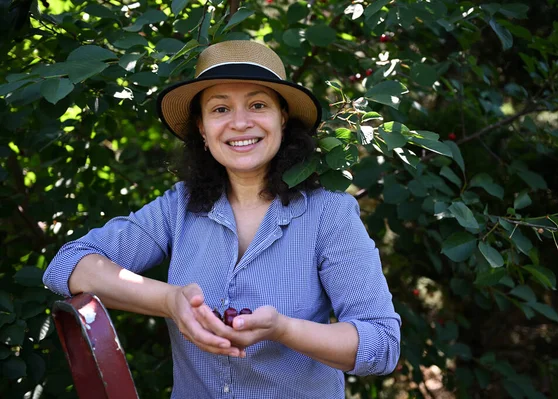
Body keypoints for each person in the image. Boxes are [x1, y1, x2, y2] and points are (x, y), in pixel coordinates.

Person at [43, 40, 401, 398]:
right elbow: (67, 266)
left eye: (258, 105)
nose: (240, 123)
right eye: (220, 109)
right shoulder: (178, 207)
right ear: (202, 127)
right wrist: (170, 300)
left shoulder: (329, 214)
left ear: (283, 117)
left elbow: (382, 345)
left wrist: (282, 329)